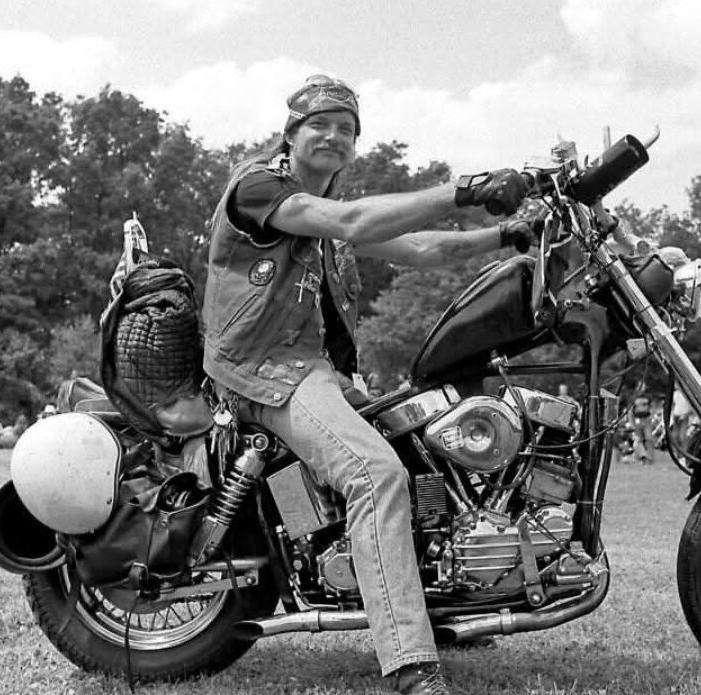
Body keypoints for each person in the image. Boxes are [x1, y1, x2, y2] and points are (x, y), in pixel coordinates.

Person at [201, 74, 533, 695]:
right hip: (267, 371)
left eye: (346, 129)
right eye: (319, 125)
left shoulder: (329, 216)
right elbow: (353, 221)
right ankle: (409, 661)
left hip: (318, 372)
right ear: (291, 134)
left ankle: (447, 606)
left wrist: (506, 236)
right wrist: (464, 189)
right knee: (375, 474)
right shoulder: (261, 188)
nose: (333, 137)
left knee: (428, 443)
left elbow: (423, 249)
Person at [631, 394, 654, 464]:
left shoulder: (647, 398)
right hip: (637, 420)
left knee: (649, 438)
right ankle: (642, 456)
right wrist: (632, 423)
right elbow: (631, 411)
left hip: (646, 420)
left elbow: (651, 408)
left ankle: (650, 457)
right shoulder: (634, 398)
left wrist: (651, 417)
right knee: (638, 439)